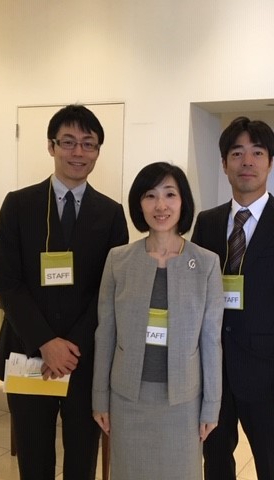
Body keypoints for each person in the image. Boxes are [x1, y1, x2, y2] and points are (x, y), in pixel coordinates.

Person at [0, 104, 129, 480]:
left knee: (82, 461)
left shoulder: (111, 214)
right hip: (29, 353)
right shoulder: (18, 205)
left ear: (98, 151)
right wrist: (46, 342)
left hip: (85, 360)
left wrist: (70, 349)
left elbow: (110, 290)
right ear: (51, 146)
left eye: (88, 143)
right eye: (68, 142)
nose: (78, 152)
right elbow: (8, 281)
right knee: (33, 459)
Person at [192, 116, 274, 480]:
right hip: (213, 373)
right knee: (215, 463)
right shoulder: (207, 222)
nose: (246, 161)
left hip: (269, 377)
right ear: (224, 164)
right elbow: (194, 297)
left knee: (272, 466)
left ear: (270, 162)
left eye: (257, 153)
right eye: (237, 153)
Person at [92, 161, 224, 480]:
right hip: (128, 398)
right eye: (150, 195)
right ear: (139, 204)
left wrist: (212, 405)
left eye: (169, 194)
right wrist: (99, 397)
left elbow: (211, 340)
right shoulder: (118, 260)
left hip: (183, 402)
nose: (160, 205)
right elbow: (105, 333)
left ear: (183, 202)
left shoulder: (206, 263)